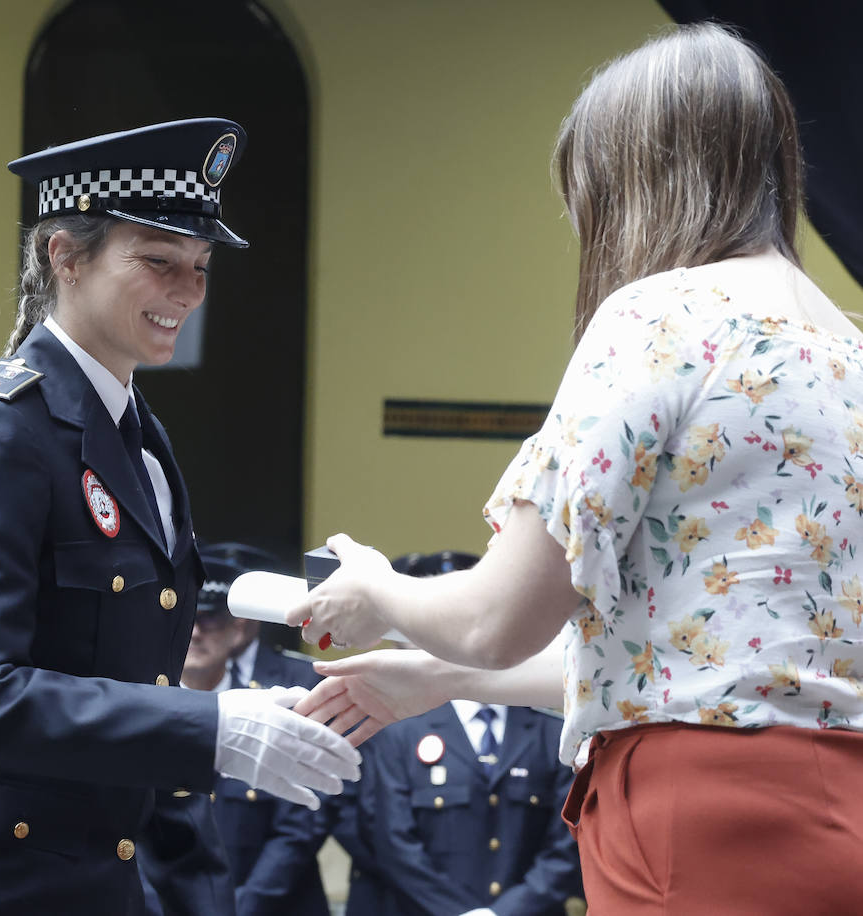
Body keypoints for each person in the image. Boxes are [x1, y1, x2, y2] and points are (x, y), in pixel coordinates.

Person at [291, 23, 863, 914]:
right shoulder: (848, 350)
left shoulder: (661, 316)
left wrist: (380, 592)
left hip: (695, 818)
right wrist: (445, 681)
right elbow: (706, 651)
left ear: (635, 181)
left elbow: (494, 619)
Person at [0, 118, 360, 916]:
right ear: (66, 255)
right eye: (158, 262)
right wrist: (213, 727)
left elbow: (137, 691)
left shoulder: (138, 437)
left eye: (200, 266)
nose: (189, 290)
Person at [342, 553, 582, 916]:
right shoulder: (399, 728)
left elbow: (567, 843)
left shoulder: (550, 727)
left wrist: (501, 914)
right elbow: (394, 843)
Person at [179, 551, 331, 916]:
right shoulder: (146, 705)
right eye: (188, 619)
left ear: (238, 629)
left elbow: (299, 822)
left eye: (211, 619)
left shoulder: (268, 706)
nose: (197, 632)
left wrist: (239, 908)